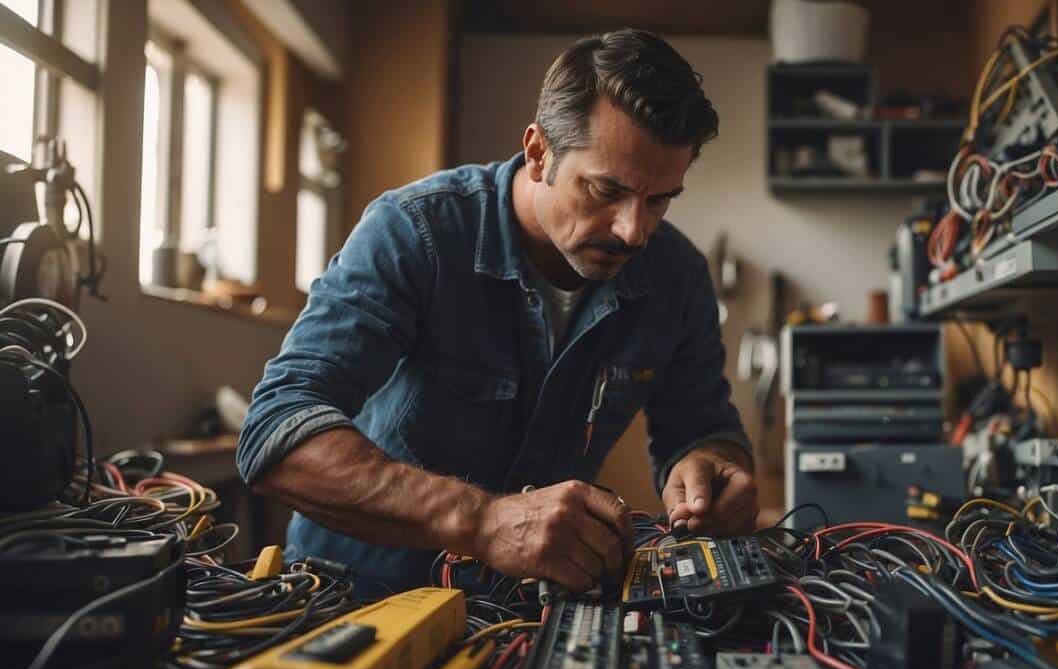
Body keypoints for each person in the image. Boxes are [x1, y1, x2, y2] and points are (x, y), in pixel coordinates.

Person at [236, 28, 758, 596]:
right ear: (538, 154)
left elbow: (701, 428)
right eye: (606, 190)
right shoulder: (415, 232)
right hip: (356, 597)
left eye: (659, 200)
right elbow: (276, 434)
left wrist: (714, 466)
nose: (633, 231)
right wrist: (482, 521)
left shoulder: (677, 276)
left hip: (524, 607)